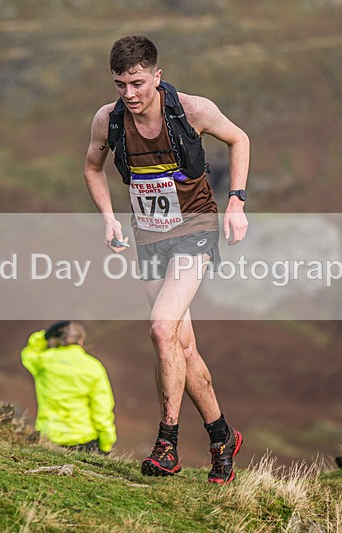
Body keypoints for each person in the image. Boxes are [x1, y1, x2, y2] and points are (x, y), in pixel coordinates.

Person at [83, 35, 250, 483]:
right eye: (120, 84)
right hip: (148, 238)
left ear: (157, 76)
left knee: (160, 328)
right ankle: (222, 437)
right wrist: (108, 219)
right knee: (181, 345)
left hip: (195, 231)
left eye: (137, 83)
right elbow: (92, 168)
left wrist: (236, 201)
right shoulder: (109, 120)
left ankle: (168, 443)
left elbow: (239, 139)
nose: (129, 94)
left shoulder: (192, 111)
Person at [20, 321, 117, 454]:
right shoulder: (93, 366)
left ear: (59, 339)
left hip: (49, 435)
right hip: (84, 439)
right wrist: (106, 443)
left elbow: (28, 353)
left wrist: (44, 336)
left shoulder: (44, 361)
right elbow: (102, 409)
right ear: (81, 340)